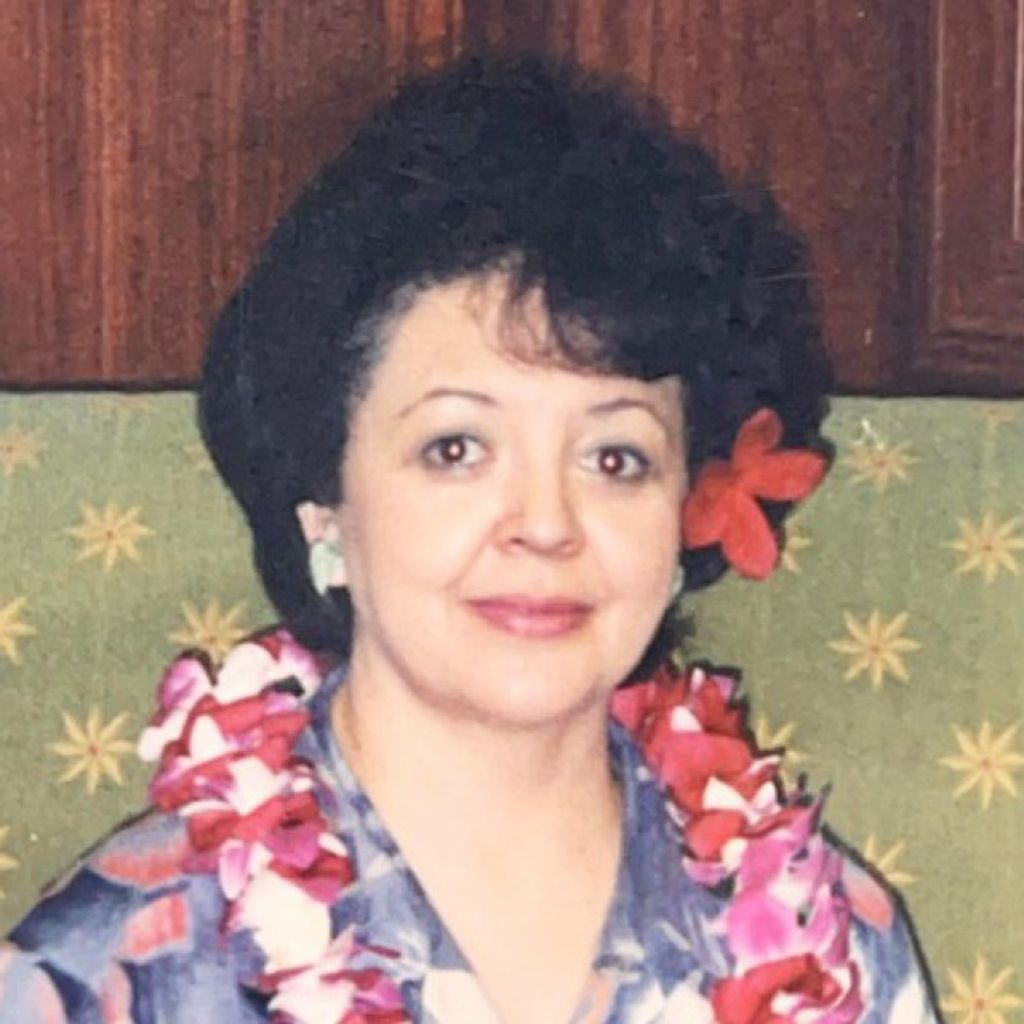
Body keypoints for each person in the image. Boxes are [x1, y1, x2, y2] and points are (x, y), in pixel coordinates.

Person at [0, 53, 941, 1023]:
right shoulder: (114, 969)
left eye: (615, 458)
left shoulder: (833, 949)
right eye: (456, 449)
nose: (545, 523)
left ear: (685, 514)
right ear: (324, 501)